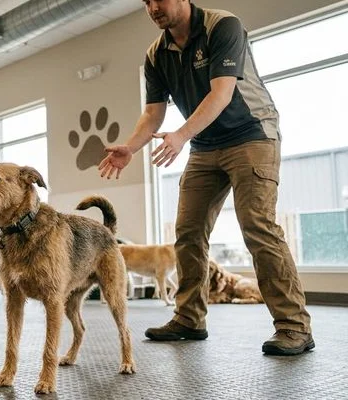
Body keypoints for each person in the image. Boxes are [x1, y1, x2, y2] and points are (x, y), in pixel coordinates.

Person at [98, 0, 313, 355]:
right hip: (205, 144)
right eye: (146, 1)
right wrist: (130, 148)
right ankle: (189, 318)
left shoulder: (222, 26)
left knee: (257, 227)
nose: (153, 7)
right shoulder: (157, 54)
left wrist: (180, 136)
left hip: (252, 135)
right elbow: (153, 113)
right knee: (187, 233)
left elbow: (222, 92)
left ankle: (294, 327)